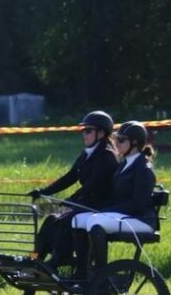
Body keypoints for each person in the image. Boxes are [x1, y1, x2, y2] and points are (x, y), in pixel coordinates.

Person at [27, 110, 119, 272]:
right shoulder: (87, 153)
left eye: (88, 130)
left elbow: (93, 186)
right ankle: (34, 259)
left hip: (97, 205)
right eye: (83, 130)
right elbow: (70, 177)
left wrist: (71, 200)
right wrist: (44, 191)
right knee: (50, 221)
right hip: (85, 202)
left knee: (65, 221)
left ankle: (57, 259)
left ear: (101, 133)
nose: (84, 134)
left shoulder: (107, 156)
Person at [71, 120, 158, 275]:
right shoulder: (123, 165)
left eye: (121, 140)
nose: (117, 143)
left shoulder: (144, 169)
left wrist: (106, 210)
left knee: (95, 221)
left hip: (140, 219)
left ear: (135, 143)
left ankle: (100, 274)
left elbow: (138, 204)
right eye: (117, 139)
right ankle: (82, 271)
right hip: (122, 215)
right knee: (78, 219)